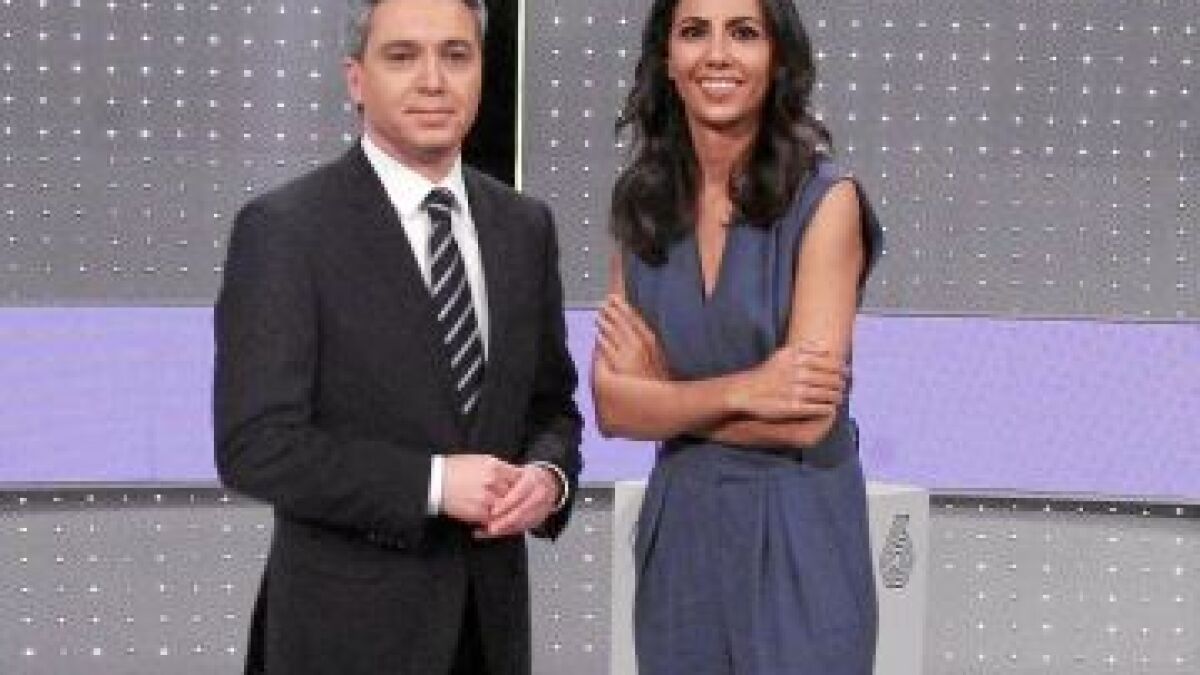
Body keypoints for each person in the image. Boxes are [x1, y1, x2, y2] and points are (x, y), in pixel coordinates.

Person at [212, 1, 583, 673]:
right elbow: (257, 446)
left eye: (456, 55)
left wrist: (548, 478)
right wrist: (434, 483)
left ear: (482, 72)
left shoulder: (525, 228)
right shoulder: (286, 230)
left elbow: (550, 406)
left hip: (490, 633)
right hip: (343, 638)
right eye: (403, 56)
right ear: (356, 79)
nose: (433, 80)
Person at [592, 0, 882, 672]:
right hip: (682, 542)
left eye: (744, 33)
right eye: (694, 32)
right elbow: (614, 407)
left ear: (777, 57)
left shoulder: (827, 202)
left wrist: (666, 396)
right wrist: (748, 390)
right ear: (667, 59)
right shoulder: (642, 205)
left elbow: (806, 418)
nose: (717, 54)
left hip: (800, 540)